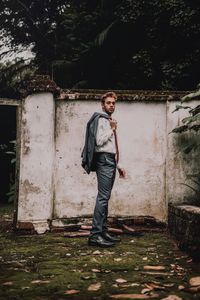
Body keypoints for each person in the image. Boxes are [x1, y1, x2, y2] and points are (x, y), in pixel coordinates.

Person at [81, 91, 126, 248]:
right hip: (104, 160)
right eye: (108, 103)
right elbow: (99, 142)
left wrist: (118, 166)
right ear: (103, 105)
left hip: (110, 161)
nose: (111, 105)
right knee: (103, 197)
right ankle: (94, 236)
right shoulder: (101, 120)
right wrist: (112, 129)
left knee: (105, 198)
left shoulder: (109, 120)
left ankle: (103, 232)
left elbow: (111, 147)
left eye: (113, 103)